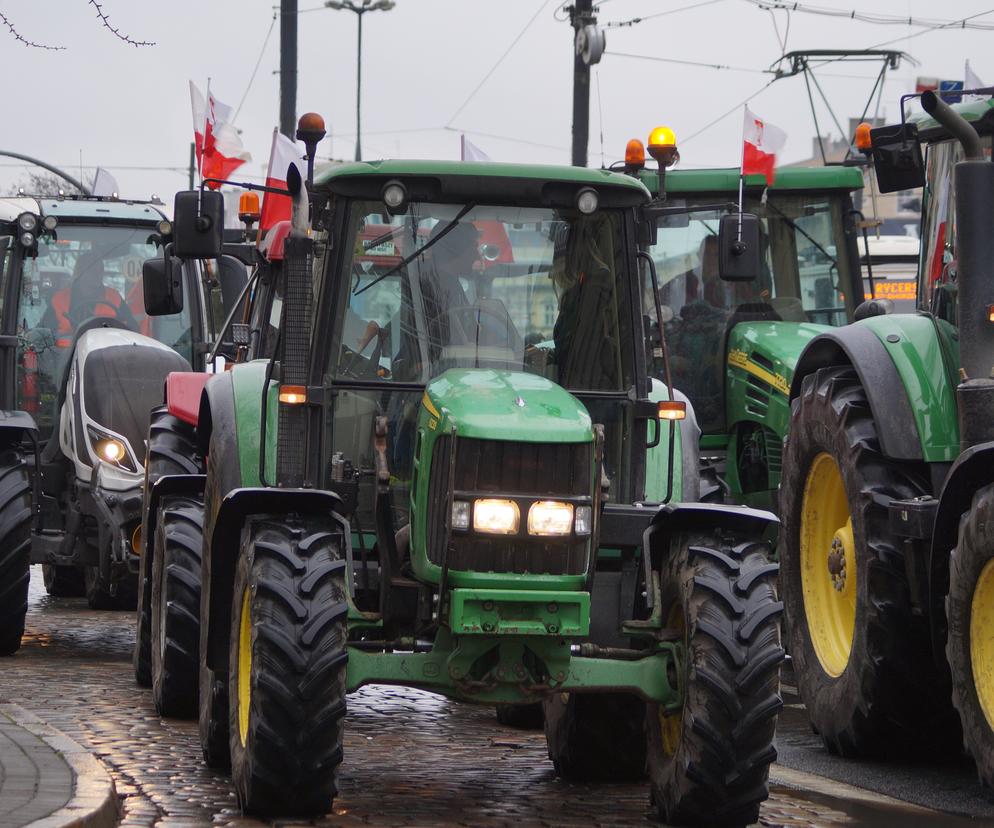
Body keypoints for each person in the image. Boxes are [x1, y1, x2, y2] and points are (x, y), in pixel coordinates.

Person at [41, 251, 134, 347]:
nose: (98, 274)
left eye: (100, 270)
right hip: (64, 356)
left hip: (106, 355)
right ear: (80, 272)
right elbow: (44, 333)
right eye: (93, 270)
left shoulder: (114, 298)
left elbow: (132, 329)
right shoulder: (59, 299)